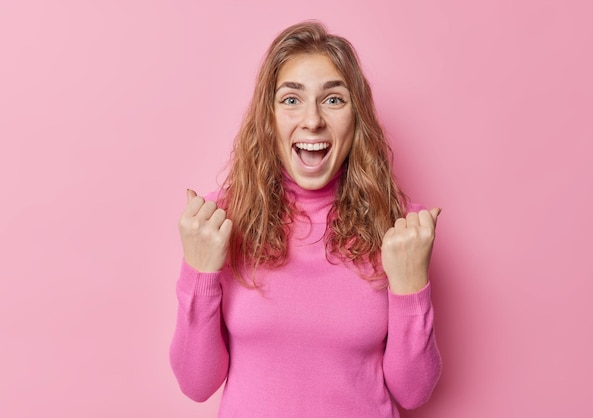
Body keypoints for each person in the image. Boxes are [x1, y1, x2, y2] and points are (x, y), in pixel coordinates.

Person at [170, 21, 442, 418]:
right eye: (291, 99)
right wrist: (199, 274)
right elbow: (196, 384)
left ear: (357, 118)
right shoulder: (218, 223)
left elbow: (414, 391)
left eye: (333, 100)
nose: (312, 120)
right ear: (268, 117)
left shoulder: (401, 230)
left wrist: (411, 286)